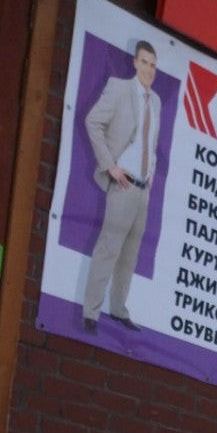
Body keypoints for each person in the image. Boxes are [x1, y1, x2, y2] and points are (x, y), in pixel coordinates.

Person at [82, 39, 161, 333]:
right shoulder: (119, 88)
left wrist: (151, 171)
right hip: (123, 183)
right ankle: (91, 312)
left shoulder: (156, 102)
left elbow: (149, 143)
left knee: (130, 255)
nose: (149, 69)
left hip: (142, 189)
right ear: (134, 63)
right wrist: (109, 165)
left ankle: (118, 309)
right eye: (144, 62)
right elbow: (93, 122)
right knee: (108, 248)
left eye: (153, 64)